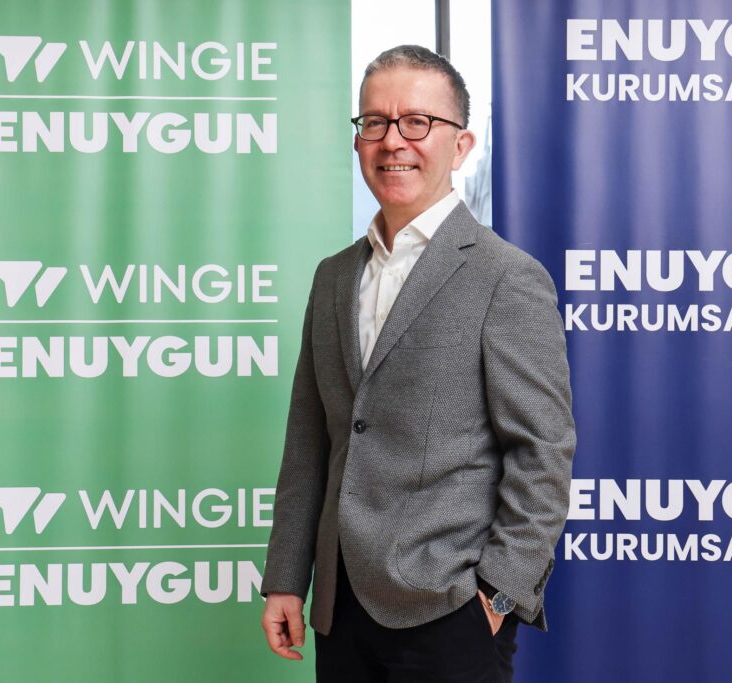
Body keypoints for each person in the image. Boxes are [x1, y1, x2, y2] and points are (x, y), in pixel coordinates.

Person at [260, 44, 576, 682]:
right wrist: (287, 579)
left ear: (461, 145)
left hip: (450, 611)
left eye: (417, 122)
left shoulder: (506, 277)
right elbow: (310, 442)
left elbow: (542, 453)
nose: (392, 140)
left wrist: (498, 596)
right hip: (340, 610)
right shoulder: (332, 277)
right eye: (375, 122)